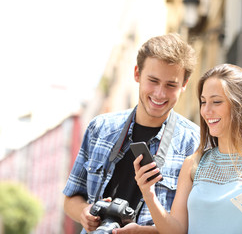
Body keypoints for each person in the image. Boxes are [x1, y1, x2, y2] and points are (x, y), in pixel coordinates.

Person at [62, 33, 200, 234]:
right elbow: (70, 198)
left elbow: (191, 225)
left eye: (171, 85)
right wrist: (85, 211)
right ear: (137, 74)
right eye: (153, 80)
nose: (160, 93)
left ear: (184, 85)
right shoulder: (100, 128)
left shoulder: (194, 142)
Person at [132, 64, 242, 234]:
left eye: (216, 102)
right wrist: (149, 194)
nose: (206, 111)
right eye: (203, 102)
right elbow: (176, 231)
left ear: (241, 105)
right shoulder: (193, 164)